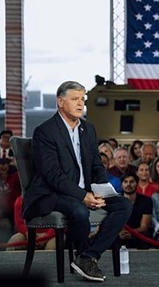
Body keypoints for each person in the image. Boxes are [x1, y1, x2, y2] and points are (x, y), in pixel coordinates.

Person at [23, 81, 131, 282]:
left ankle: (88, 257)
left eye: (83, 99)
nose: (81, 104)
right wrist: (84, 196)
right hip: (52, 193)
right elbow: (52, 175)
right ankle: (86, 258)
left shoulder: (88, 129)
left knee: (124, 205)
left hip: (86, 191)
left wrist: (101, 190)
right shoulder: (45, 131)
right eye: (75, 99)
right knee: (79, 209)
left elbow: (97, 165)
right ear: (60, 102)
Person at [118, 173, 152, 249]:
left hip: (138, 234)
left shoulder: (146, 201)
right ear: (122, 184)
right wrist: (120, 233)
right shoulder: (116, 201)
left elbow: (144, 227)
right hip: (119, 233)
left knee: (144, 238)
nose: (128, 184)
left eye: (131, 182)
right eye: (125, 182)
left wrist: (131, 233)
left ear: (137, 184)